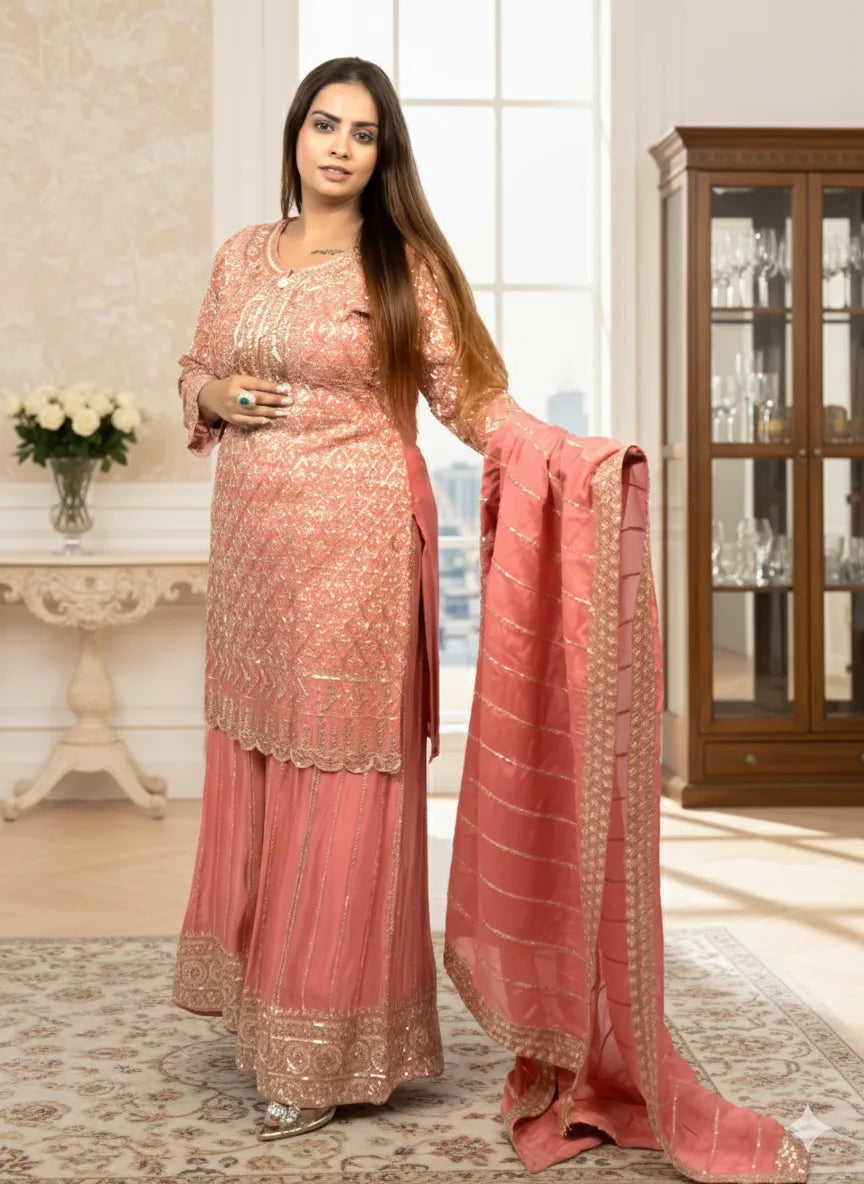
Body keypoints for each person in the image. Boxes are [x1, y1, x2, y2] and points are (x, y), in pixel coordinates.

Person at [171, 55, 810, 1182]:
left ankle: (323, 1050)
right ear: (296, 135)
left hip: (359, 554)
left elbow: (470, 398)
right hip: (256, 558)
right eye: (324, 124)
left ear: (384, 154)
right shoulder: (240, 254)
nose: (339, 146)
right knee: (265, 763)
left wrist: (569, 456)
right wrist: (213, 395)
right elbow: (199, 369)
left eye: (363, 133)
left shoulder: (401, 262)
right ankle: (270, 1010)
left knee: (341, 780)